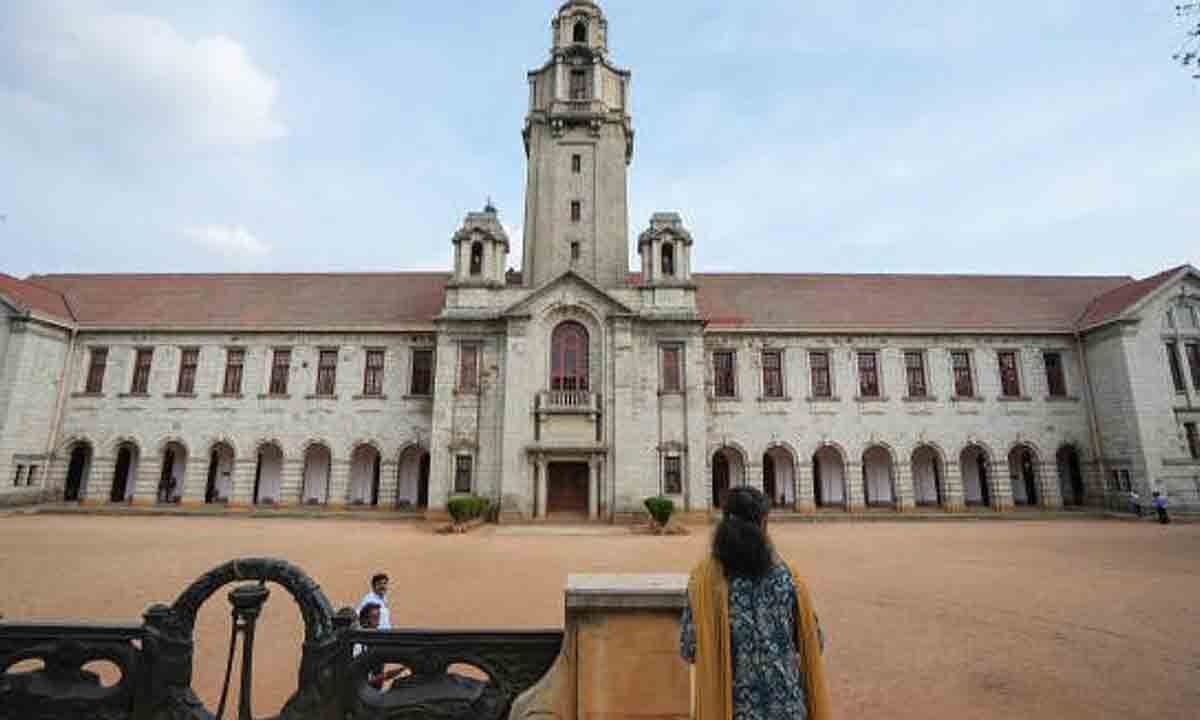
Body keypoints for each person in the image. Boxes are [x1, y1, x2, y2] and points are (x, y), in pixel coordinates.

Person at [680, 486, 831, 720]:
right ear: (763, 524)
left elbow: (689, 648)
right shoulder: (787, 577)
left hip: (732, 709)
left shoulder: (704, 581)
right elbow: (815, 640)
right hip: (787, 708)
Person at [355, 603, 407, 690]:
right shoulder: (358, 645)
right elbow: (359, 680)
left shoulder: (374, 641)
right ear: (364, 620)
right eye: (374, 618)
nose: (378, 622)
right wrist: (386, 676)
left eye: (378, 618)